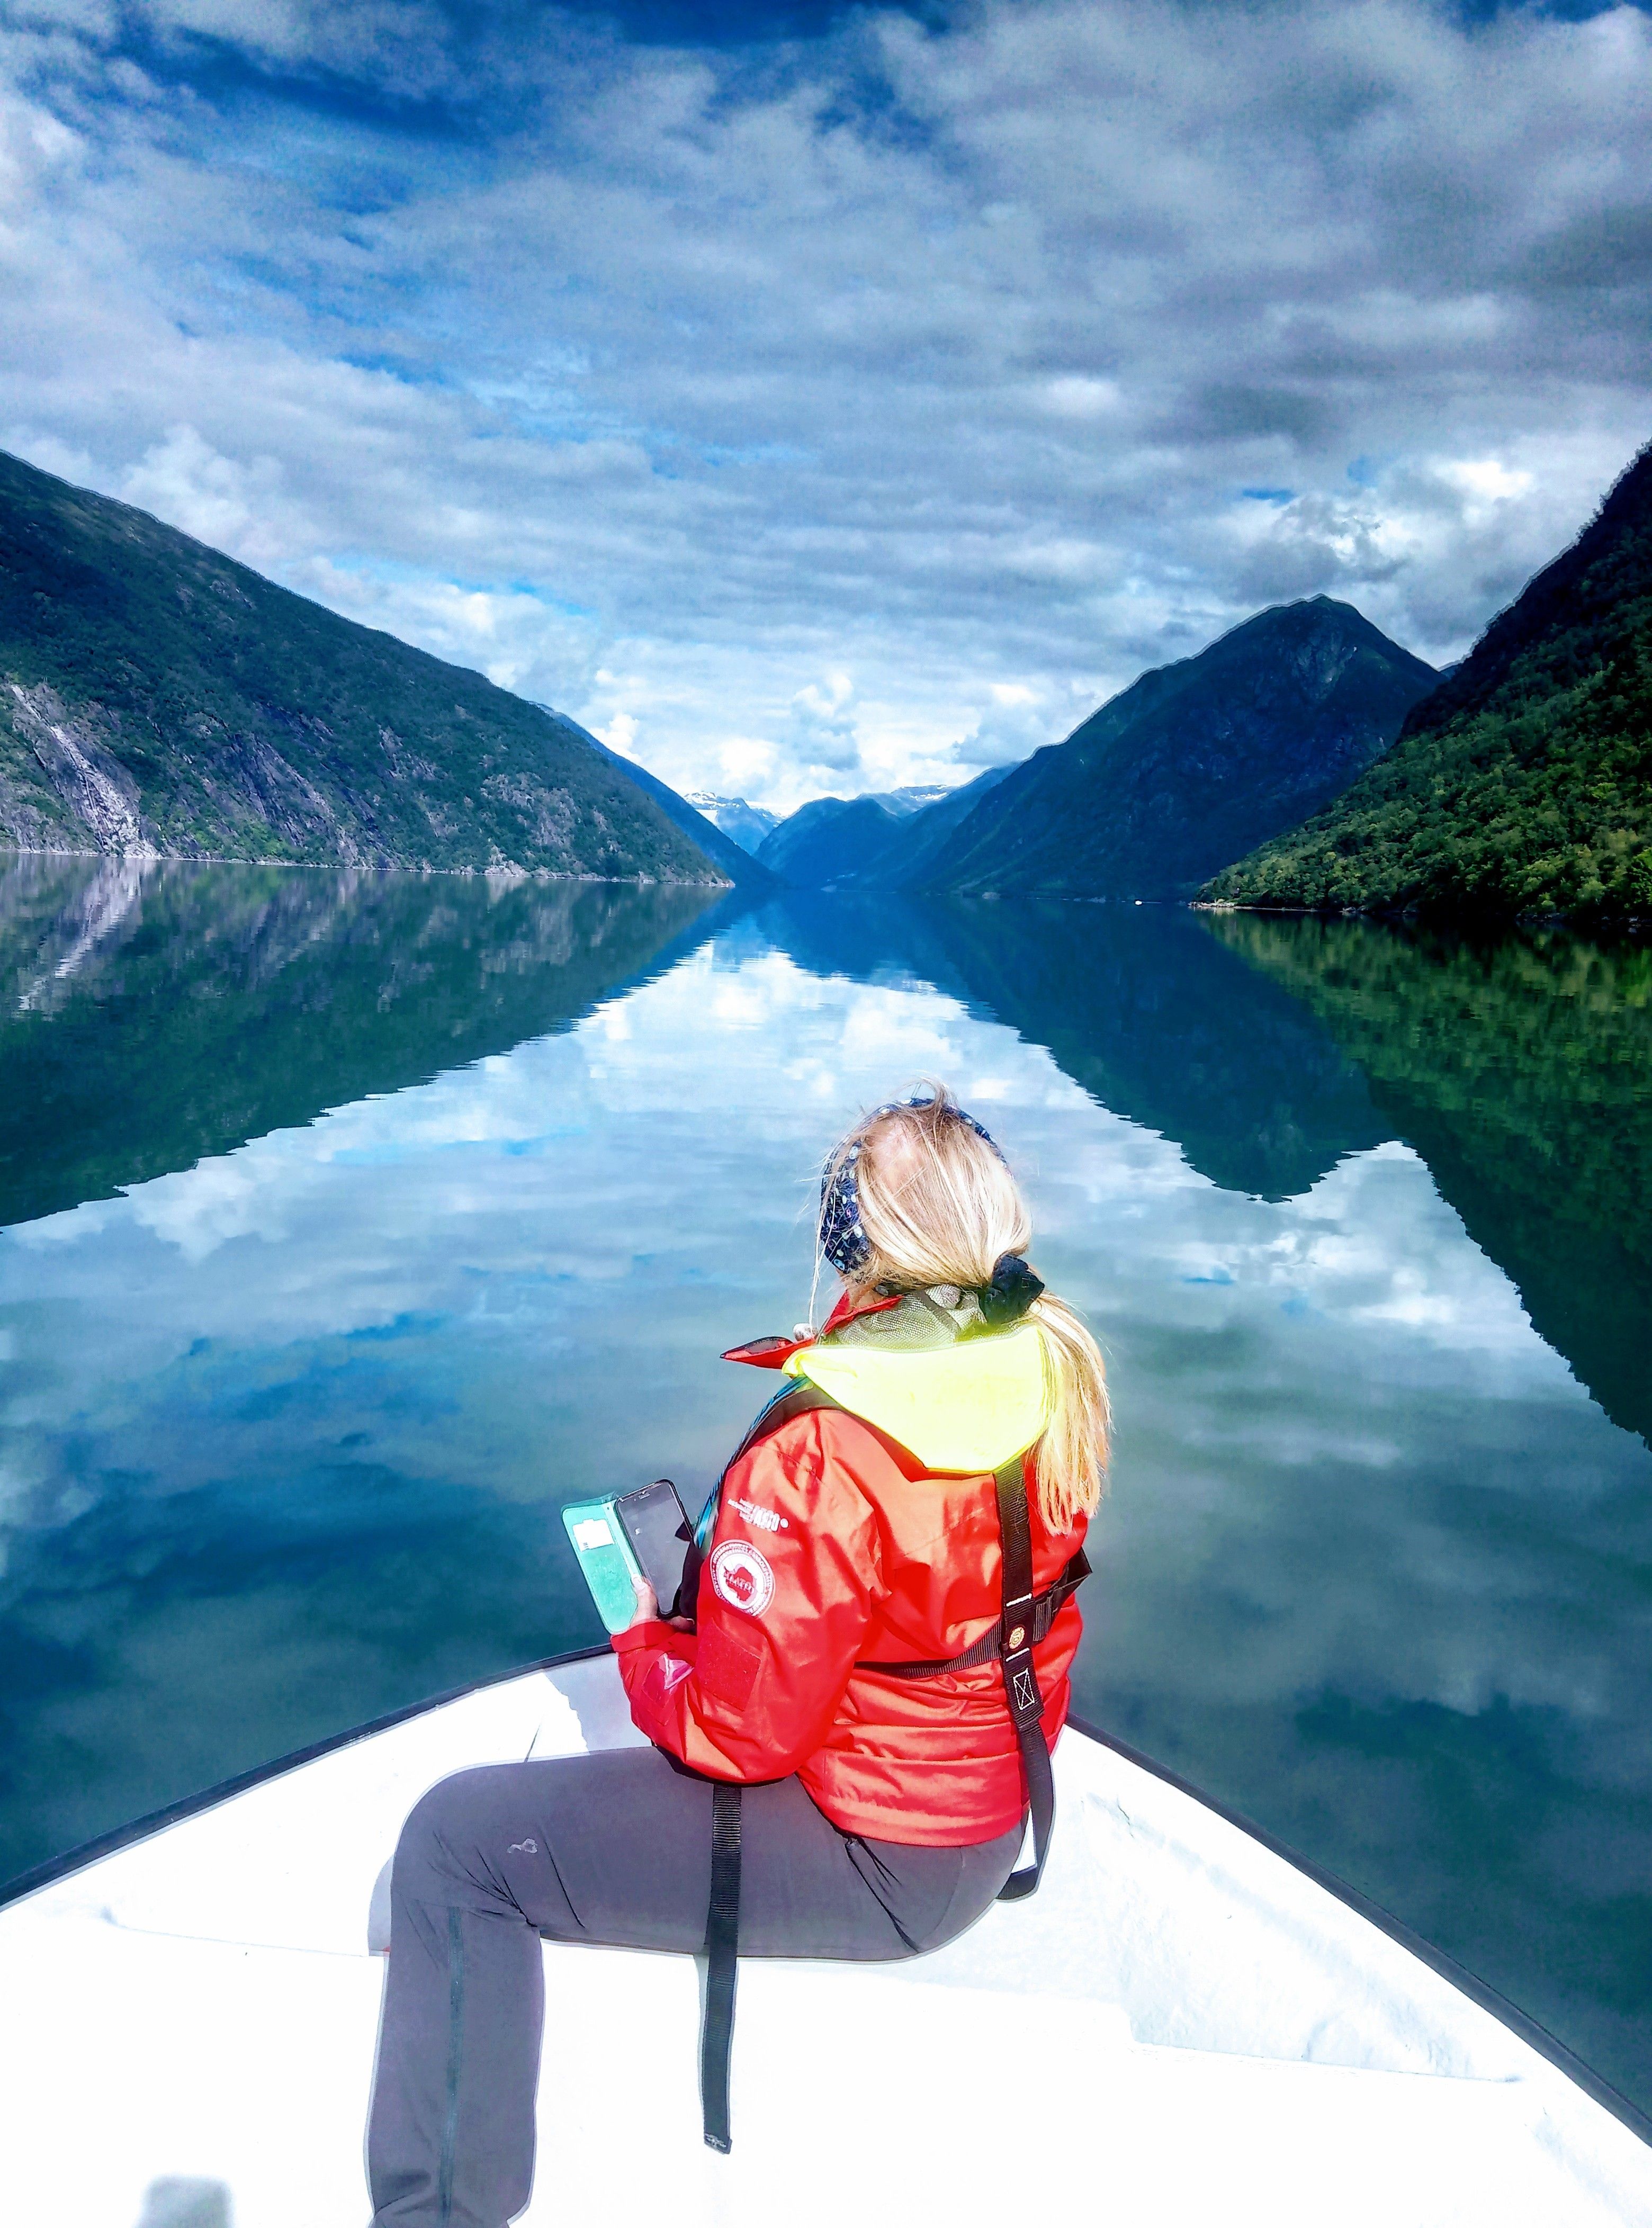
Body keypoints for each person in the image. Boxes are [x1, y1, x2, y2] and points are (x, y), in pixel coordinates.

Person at [366, 1085, 1109, 2227]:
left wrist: (641, 1645)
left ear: (853, 1243)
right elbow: (925, 1591)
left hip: (881, 1856)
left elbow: (742, 1737)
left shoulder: (823, 1448)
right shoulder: (1045, 1372)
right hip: (985, 1824)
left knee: (457, 1844)